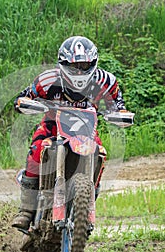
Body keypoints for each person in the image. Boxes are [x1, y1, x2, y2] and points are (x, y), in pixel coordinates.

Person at [12, 35, 127, 230]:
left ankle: (88, 200)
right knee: (36, 149)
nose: (79, 71)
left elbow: (118, 105)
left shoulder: (106, 81)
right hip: (52, 127)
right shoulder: (48, 80)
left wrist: (120, 115)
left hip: (86, 131)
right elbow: (23, 97)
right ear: (63, 64)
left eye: (84, 65)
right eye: (74, 66)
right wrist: (25, 104)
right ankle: (26, 210)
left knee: (99, 153)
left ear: (93, 63)